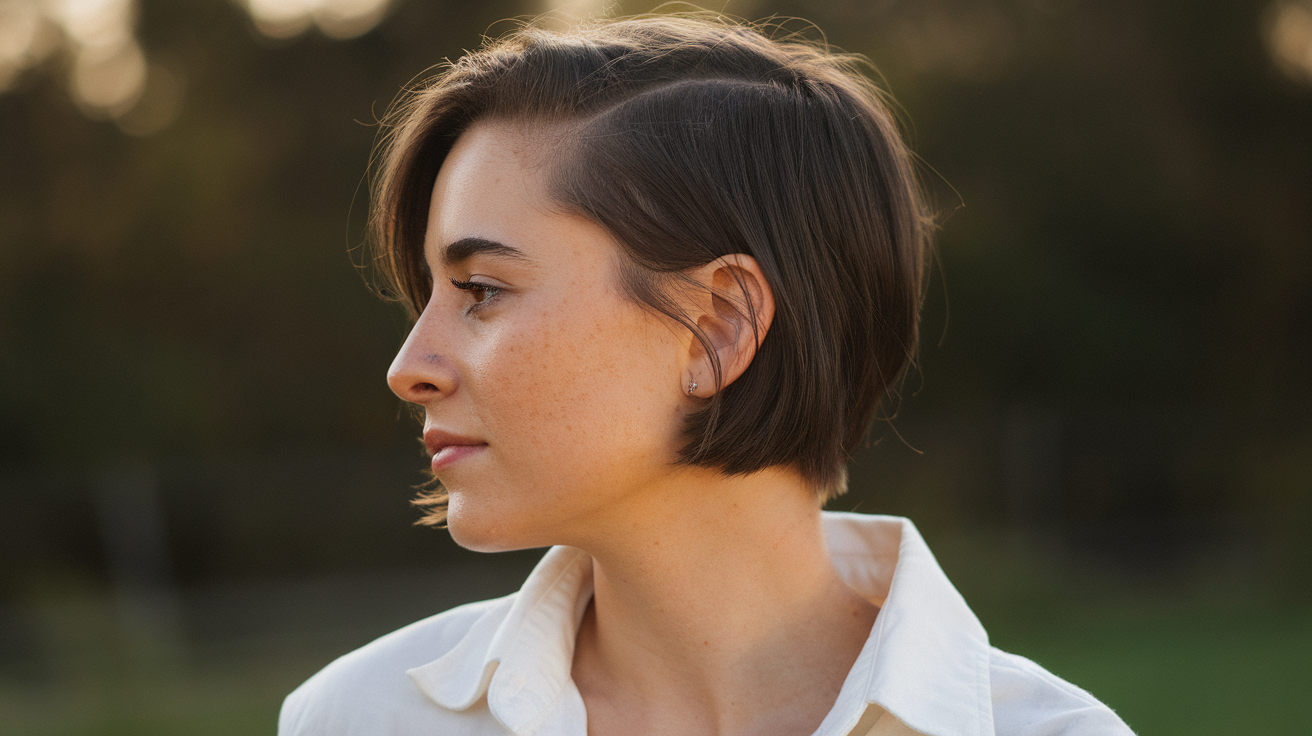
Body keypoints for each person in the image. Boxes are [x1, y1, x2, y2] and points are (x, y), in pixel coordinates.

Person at [279, 14, 1135, 736]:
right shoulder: (356, 718)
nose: (408, 368)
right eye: (427, 294)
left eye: (482, 291)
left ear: (717, 326)